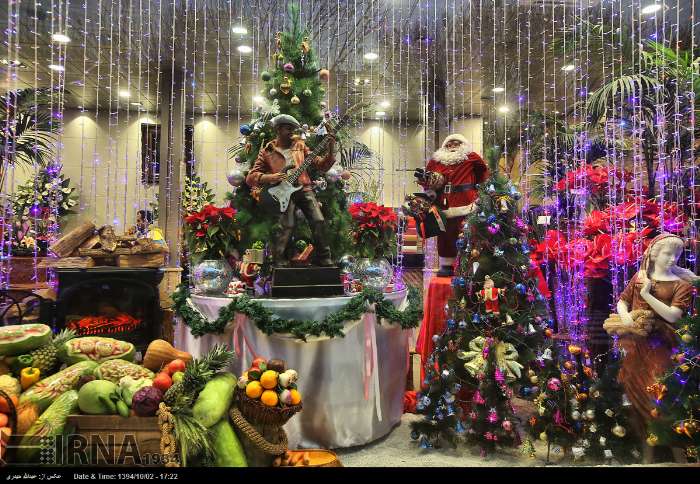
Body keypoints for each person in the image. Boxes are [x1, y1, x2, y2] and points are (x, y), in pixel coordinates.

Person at [609, 233, 698, 461]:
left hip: (663, 345)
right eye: (668, 254)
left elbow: (673, 315)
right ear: (654, 254)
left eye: (677, 255)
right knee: (635, 393)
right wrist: (625, 316)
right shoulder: (640, 277)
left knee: (661, 393)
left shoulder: (681, 284)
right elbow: (622, 300)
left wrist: (647, 294)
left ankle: (677, 453)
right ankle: (647, 453)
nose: (673, 259)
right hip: (637, 345)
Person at [246, 114, 336, 267]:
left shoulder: (300, 146)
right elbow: (251, 177)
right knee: (287, 225)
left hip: (304, 188)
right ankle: (278, 259)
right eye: (288, 128)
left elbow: (322, 165)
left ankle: (324, 257)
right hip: (284, 192)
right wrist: (271, 177)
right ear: (278, 130)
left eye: (293, 129)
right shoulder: (267, 151)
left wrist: (331, 147)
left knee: (318, 220)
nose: (291, 132)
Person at [415, 134, 487, 277]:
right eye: (449, 144)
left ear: (463, 145)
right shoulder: (436, 161)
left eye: (456, 143)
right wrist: (426, 183)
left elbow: (482, 173)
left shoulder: (471, 157)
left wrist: (477, 190)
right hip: (443, 204)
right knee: (445, 235)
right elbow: (427, 180)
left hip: (466, 203)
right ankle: (447, 265)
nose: (452, 146)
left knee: (467, 234)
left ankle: (468, 264)